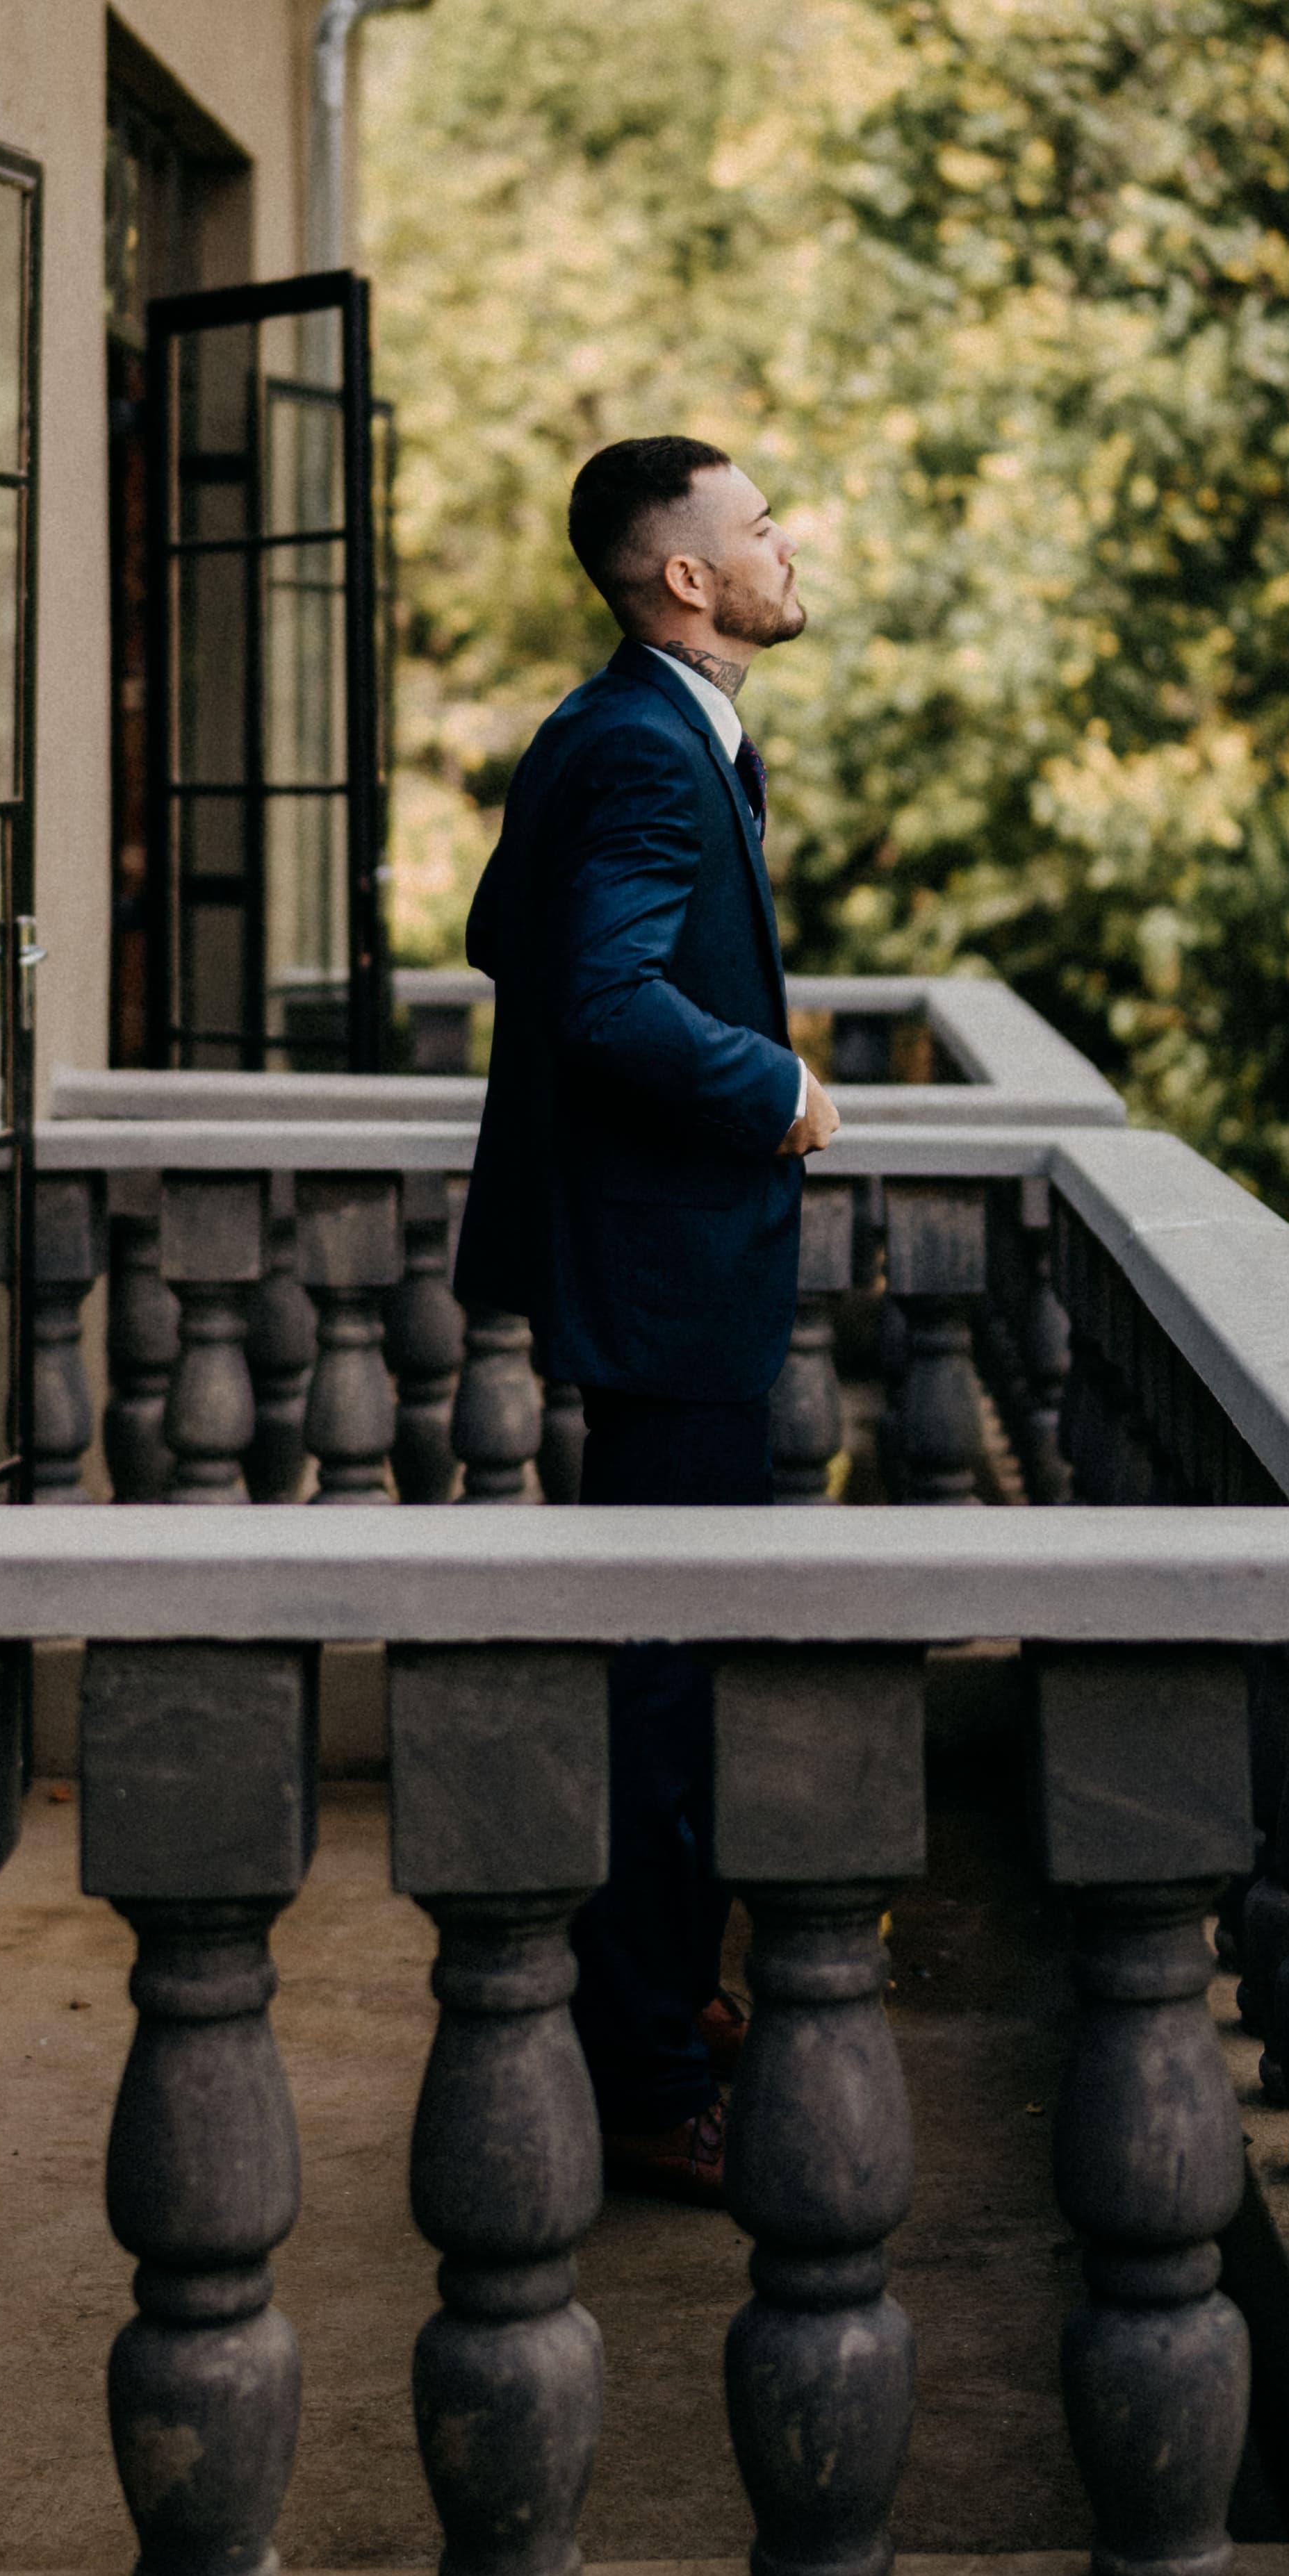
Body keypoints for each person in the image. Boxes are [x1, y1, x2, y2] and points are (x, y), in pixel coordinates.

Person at [454, 436, 838, 2202]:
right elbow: (596, 994)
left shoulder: (624, 729)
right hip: (673, 1283)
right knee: (664, 1694)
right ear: (687, 577)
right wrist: (770, 1086)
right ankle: (647, 2074)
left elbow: (496, 928)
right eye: (757, 525)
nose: (782, 542)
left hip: (651, 1272)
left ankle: (665, 2002)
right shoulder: (644, 753)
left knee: (662, 1668)